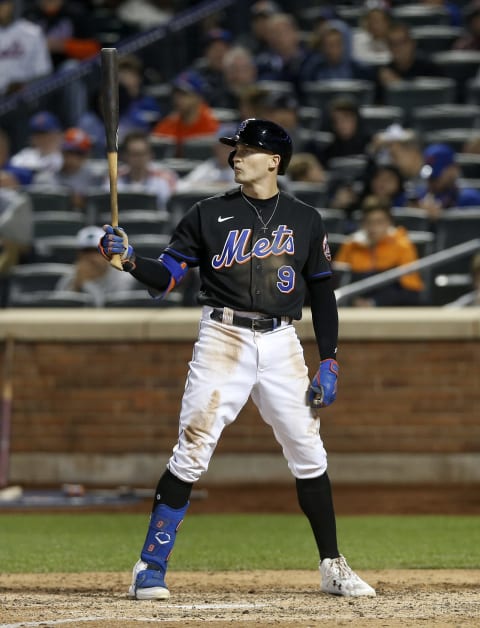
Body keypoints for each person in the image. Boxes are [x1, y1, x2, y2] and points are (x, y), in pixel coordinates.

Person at [98, 118, 376, 600]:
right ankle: (150, 566)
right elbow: (166, 278)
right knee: (192, 450)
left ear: (274, 160)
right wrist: (128, 262)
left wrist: (329, 359)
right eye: (235, 149)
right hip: (222, 336)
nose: (235, 156)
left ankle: (332, 564)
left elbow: (324, 295)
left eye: (246, 149)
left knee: (309, 454)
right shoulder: (207, 213)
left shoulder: (305, 218)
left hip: (282, 341)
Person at [333, 196, 425, 306]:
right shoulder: (350, 245)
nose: (373, 228)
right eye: (369, 222)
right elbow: (337, 284)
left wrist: (373, 302)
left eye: (379, 222)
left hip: (391, 310)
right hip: (352, 308)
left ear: (389, 223)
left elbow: (411, 290)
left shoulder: (403, 246)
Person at [56, 225, 138, 306]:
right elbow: (60, 309)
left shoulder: (123, 277)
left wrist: (86, 283)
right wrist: (77, 285)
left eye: (96, 251)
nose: (91, 257)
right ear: (79, 254)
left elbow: (114, 311)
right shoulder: (71, 276)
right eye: (86, 251)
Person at [151, 70, 220, 157]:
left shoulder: (211, 124)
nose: (178, 99)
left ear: (198, 97)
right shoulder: (169, 123)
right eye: (176, 94)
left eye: (184, 94)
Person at [33, 127, 101, 209]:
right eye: (69, 152)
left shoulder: (95, 178)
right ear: (62, 151)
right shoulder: (47, 177)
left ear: (86, 155)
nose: (73, 158)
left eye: (78, 153)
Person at [0, 0, 52, 97]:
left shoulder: (32, 32)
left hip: (26, 98)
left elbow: (43, 72)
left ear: (11, 4)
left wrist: (24, 85)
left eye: (2, 4)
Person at [113, 131, 177, 210]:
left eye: (143, 154)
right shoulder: (114, 179)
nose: (139, 159)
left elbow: (170, 210)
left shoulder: (165, 178)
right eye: (134, 154)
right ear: (125, 156)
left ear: (151, 155)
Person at [414, 143, 480, 218]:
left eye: (436, 177)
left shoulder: (469, 199)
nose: (432, 181)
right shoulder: (420, 196)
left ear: (453, 169)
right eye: (430, 177)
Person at [9, 111, 63, 183]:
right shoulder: (24, 156)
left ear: (58, 134)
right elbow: (8, 172)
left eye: (46, 134)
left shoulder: (66, 156)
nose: (43, 139)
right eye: (38, 135)